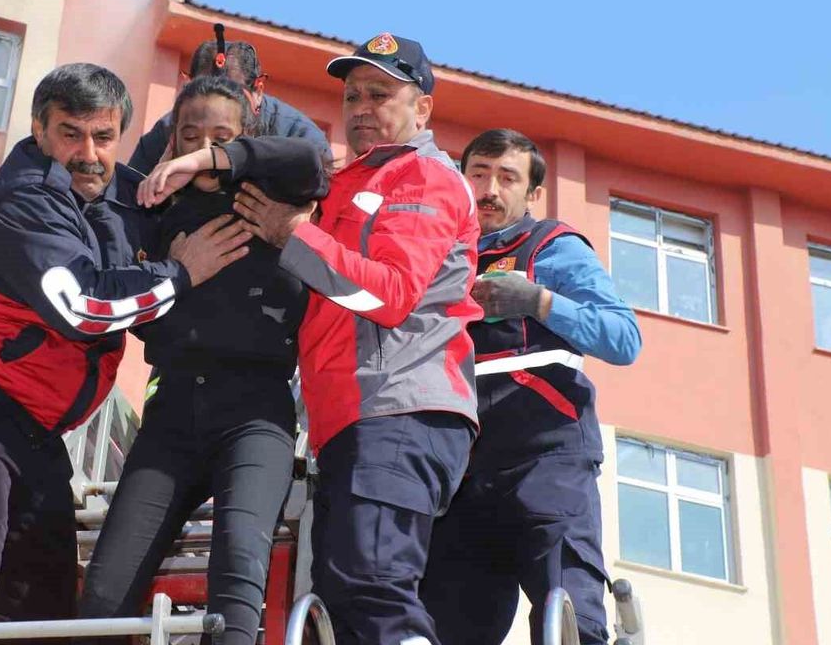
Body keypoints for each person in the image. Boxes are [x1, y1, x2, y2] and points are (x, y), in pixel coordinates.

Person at [0, 63, 250, 645]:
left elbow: (256, 177)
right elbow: (84, 306)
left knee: (45, 598)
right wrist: (181, 274)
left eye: (103, 137)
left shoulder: (121, 195)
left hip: (33, 429)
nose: (88, 153)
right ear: (39, 129)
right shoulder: (24, 198)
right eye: (70, 133)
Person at [233, 33, 481, 645]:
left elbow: (389, 293)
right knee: (347, 598)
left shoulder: (423, 175)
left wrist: (294, 233)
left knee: (371, 585)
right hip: (353, 417)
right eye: (351, 96)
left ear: (423, 108)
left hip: (398, 409)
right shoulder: (349, 181)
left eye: (379, 94)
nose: (361, 108)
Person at [76, 76, 328, 645]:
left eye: (222, 137)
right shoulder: (155, 208)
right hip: (171, 414)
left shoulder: (275, 196)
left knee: (238, 566)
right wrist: (178, 270)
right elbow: (129, 309)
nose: (203, 149)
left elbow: (312, 161)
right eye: (190, 136)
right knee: (105, 592)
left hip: (256, 415)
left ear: (247, 139)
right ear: (171, 141)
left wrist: (216, 159)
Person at [420, 129, 642, 645]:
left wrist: (539, 302)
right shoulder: (435, 253)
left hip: (545, 454)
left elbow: (623, 338)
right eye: (478, 174)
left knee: (569, 616)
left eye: (507, 178)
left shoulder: (553, 246)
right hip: (458, 468)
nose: (489, 190)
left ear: (532, 193)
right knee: (442, 627)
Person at [125, 35, 331, 176]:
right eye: (191, 136)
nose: (217, 110)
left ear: (258, 90)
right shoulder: (165, 132)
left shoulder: (300, 134)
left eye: (232, 97)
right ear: (186, 87)